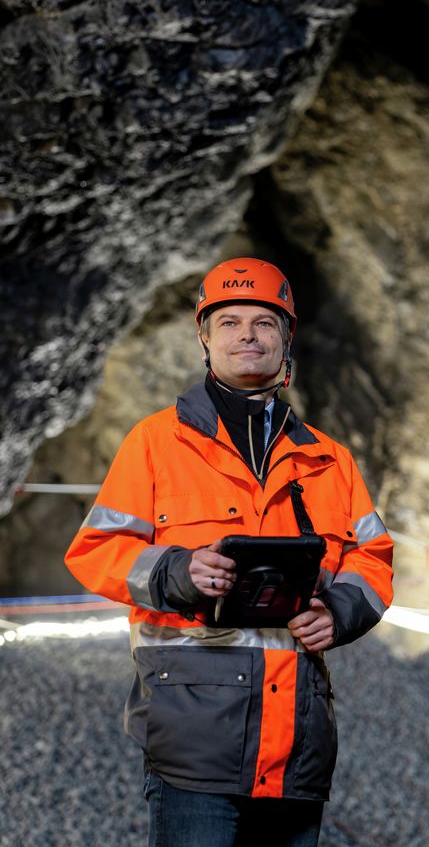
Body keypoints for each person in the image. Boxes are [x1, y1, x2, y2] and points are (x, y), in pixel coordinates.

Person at [64, 257, 394, 847]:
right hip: (193, 738)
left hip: (297, 747)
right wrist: (177, 570)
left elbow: (373, 557)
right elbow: (95, 551)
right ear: (205, 338)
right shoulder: (156, 443)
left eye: (265, 322)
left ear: (285, 340)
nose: (248, 334)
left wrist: (340, 611)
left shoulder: (329, 461)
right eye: (231, 321)